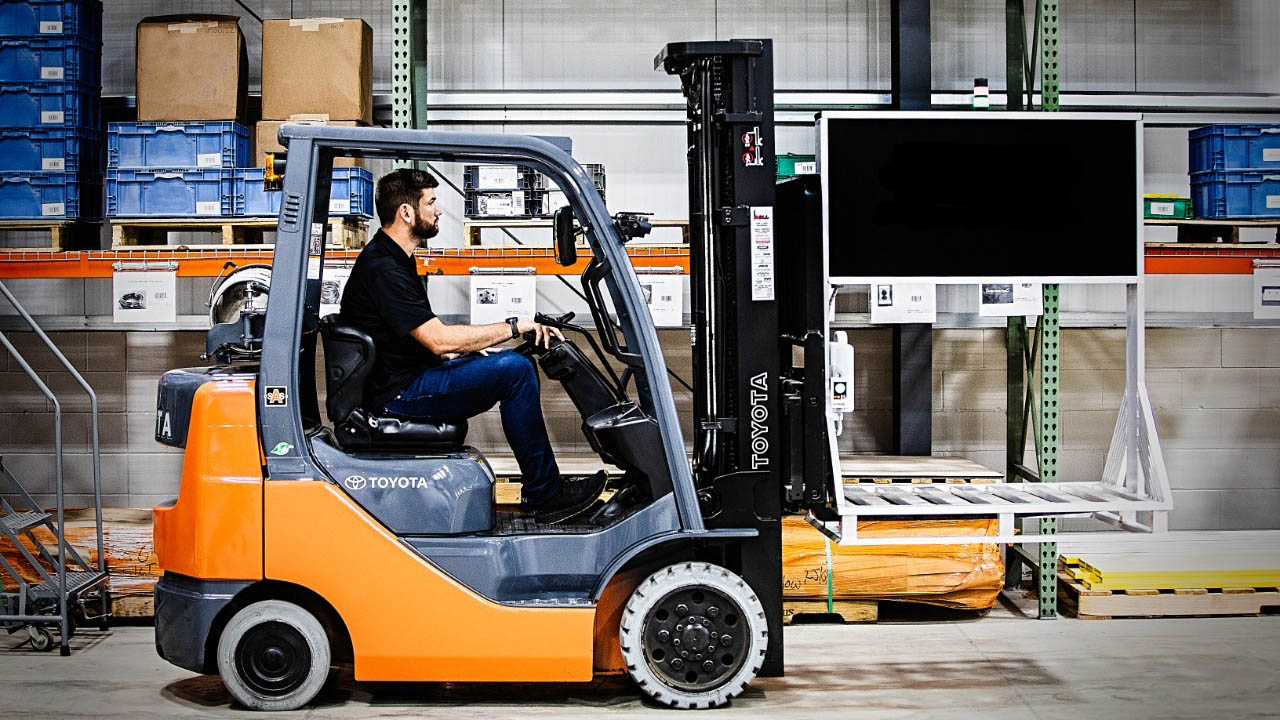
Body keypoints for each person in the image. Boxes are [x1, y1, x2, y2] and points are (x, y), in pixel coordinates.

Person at [339, 168, 606, 522]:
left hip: (407, 377)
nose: (439, 211)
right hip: (400, 393)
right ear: (406, 212)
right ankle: (547, 494)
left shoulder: (394, 260)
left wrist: (467, 350)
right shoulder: (383, 267)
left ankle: (545, 490)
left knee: (516, 361)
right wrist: (514, 324)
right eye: (431, 202)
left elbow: (414, 337)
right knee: (516, 371)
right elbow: (436, 340)